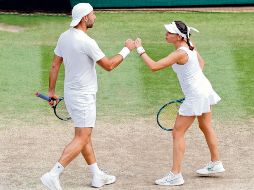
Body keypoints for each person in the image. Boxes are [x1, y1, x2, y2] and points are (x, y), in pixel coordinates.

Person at [40, 3, 135, 190]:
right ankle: (53, 174)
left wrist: (51, 91)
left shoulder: (64, 37)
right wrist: (127, 49)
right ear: (84, 18)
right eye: (93, 14)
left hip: (71, 94)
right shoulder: (86, 42)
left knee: (84, 135)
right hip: (83, 97)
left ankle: (96, 175)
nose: (95, 17)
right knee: (82, 137)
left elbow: (54, 65)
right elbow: (108, 65)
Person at [134, 20, 225, 186]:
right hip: (204, 89)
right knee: (205, 126)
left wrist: (139, 48)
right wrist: (194, 84)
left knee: (177, 133)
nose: (166, 34)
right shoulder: (190, 44)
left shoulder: (179, 54)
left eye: (169, 32)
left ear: (178, 36)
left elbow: (154, 66)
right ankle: (216, 162)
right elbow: (201, 63)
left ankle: (175, 175)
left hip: (197, 94)